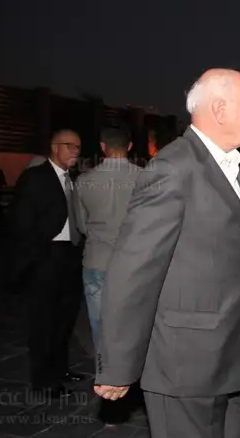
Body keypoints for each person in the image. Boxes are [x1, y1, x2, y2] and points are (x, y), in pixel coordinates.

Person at [94, 69, 240, 438]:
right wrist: (118, 365)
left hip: (236, 356)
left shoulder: (228, 165)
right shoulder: (173, 168)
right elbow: (133, 271)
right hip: (186, 366)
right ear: (219, 109)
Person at [9, 129, 84, 396]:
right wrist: (35, 257)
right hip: (46, 257)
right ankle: (43, 380)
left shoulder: (72, 178)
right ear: (54, 147)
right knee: (44, 322)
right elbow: (22, 221)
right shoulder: (36, 177)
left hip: (70, 256)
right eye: (70, 145)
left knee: (65, 319)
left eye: (78, 147)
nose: (75, 151)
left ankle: (60, 369)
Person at [73, 127, 141, 357]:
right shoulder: (145, 178)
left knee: (98, 321)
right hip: (133, 261)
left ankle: (104, 367)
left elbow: (81, 225)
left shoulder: (84, 180)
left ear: (103, 146)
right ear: (129, 146)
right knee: (132, 322)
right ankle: (130, 369)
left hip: (97, 259)